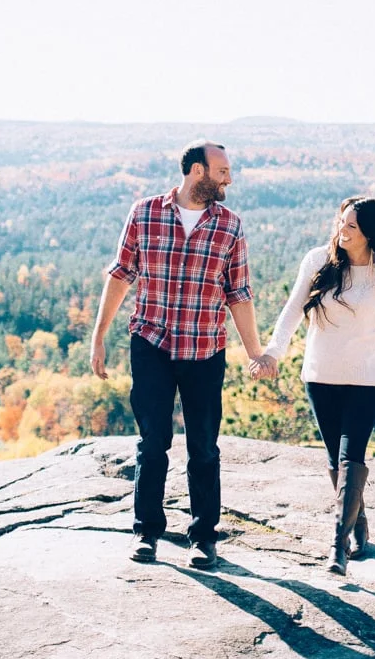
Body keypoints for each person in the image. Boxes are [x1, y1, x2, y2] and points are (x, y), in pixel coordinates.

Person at [90, 140, 268, 569]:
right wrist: (99, 336)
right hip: (151, 344)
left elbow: (238, 293)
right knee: (153, 442)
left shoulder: (230, 225)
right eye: (222, 171)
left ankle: (203, 538)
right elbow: (121, 275)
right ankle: (146, 532)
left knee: (203, 446)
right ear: (196, 171)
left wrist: (256, 352)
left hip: (204, 349)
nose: (229, 179)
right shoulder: (145, 213)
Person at [251, 196, 375, 575]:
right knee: (334, 461)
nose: (342, 230)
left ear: (370, 233)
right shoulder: (317, 261)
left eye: (352, 226)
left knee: (350, 458)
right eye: (341, 222)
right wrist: (273, 353)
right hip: (321, 377)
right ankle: (358, 525)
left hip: (366, 380)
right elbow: (293, 310)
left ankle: (337, 546)